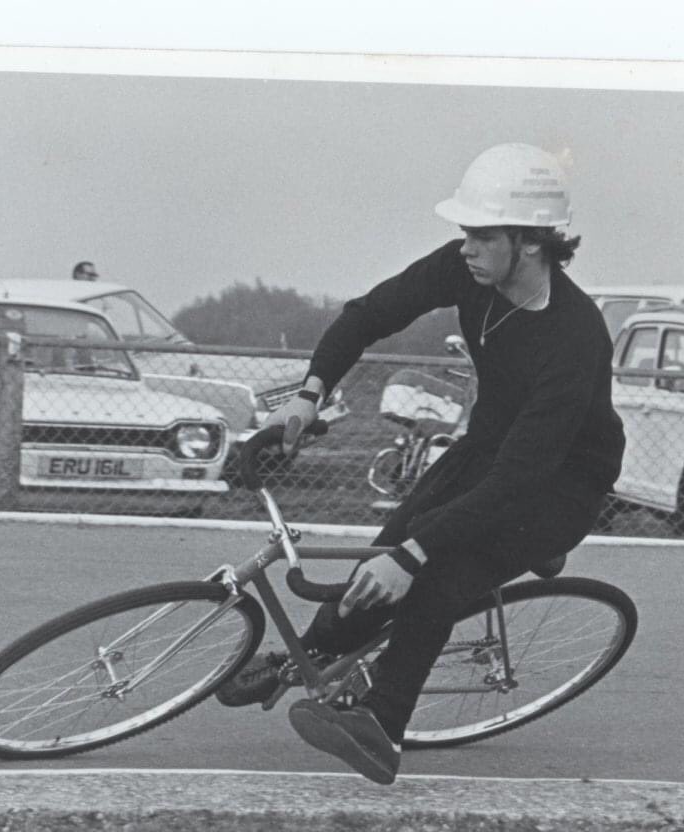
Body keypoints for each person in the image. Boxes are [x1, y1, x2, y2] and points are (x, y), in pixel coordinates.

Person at [216, 143, 626, 785]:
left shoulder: (575, 337)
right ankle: (310, 655)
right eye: (464, 233)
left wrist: (414, 556)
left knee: (433, 571)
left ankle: (382, 726)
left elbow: (520, 480)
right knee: (379, 561)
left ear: (532, 242)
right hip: (488, 449)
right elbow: (367, 316)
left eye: (482, 235)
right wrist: (306, 398)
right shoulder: (470, 271)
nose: (466, 247)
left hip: (557, 484)